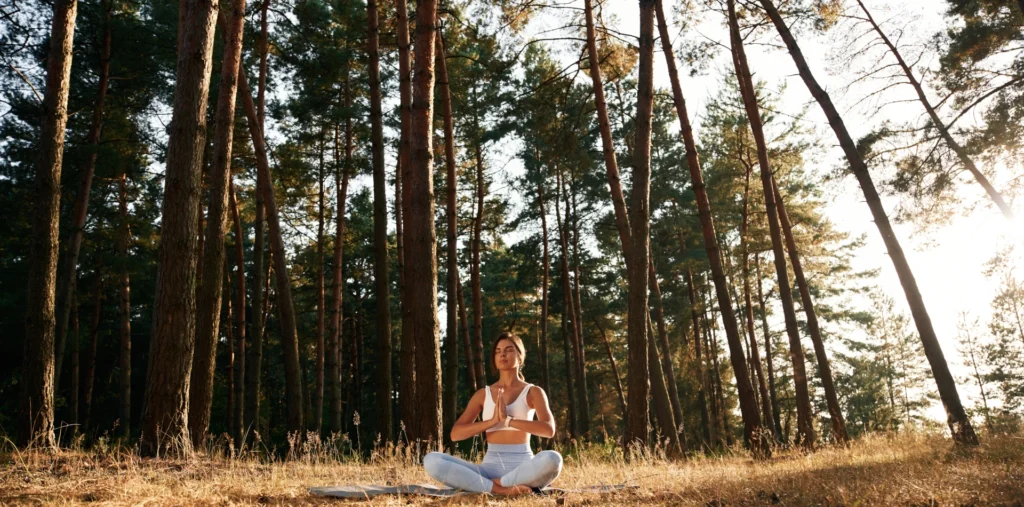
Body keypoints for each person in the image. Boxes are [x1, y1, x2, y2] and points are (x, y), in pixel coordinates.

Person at [423, 331, 563, 495]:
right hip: (488, 470)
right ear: (494, 359)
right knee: (432, 460)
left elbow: (548, 429)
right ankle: (501, 489)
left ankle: (492, 485)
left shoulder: (533, 392)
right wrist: (491, 422)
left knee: (553, 459)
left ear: (520, 356)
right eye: (498, 351)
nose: (502, 354)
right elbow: (455, 434)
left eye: (509, 349)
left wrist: (508, 420)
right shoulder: (483, 394)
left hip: (524, 469)